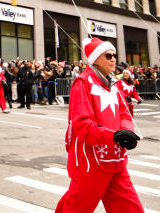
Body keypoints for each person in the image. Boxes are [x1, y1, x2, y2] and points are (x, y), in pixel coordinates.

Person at [55, 38, 143, 213]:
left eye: (114, 56)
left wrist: (127, 132)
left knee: (132, 209)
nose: (113, 59)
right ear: (95, 59)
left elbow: (124, 113)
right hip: (91, 163)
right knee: (75, 208)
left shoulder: (114, 84)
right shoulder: (83, 82)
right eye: (108, 55)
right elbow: (81, 124)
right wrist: (112, 136)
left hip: (116, 160)